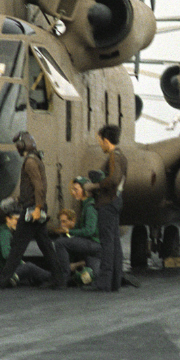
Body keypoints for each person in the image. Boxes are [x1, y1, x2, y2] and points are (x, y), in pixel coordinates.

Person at [0, 131, 65, 289]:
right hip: (33, 207)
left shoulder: (30, 162)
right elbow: (35, 187)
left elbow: (39, 186)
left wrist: (37, 208)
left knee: (17, 246)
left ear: (22, 145)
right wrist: (20, 200)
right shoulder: (35, 159)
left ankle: (2, 280)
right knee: (46, 246)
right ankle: (59, 279)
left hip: (32, 210)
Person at [91, 124, 126, 292]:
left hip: (108, 202)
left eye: (100, 141)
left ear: (106, 140)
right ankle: (114, 282)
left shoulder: (113, 157)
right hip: (116, 201)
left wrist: (95, 186)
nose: (99, 144)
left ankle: (104, 282)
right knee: (115, 244)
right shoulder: (121, 156)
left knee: (107, 243)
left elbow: (113, 179)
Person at [53, 176, 102, 287]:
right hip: (95, 248)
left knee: (60, 243)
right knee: (93, 275)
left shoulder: (90, 207)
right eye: (73, 190)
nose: (73, 192)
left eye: (76, 189)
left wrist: (69, 231)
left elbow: (89, 231)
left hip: (93, 244)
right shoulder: (86, 205)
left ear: (85, 191)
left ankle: (64, 278)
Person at [0, 210, 52, 286]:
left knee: (28, 272)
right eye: (16, 220)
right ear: (8, 219)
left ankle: (45, 279)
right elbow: (7, 254)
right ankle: (53, 277)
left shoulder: (4, 230)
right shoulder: (4, 233)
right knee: (29, 267)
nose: (18, 223)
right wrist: (21, 263)